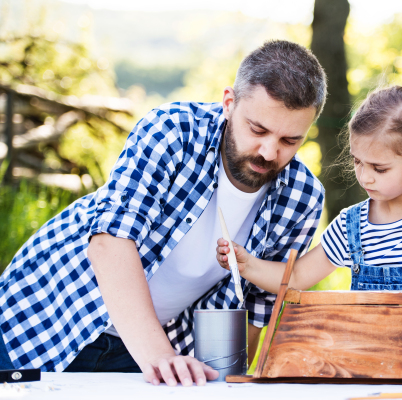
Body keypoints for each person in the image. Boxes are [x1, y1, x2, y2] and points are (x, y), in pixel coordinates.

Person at [0, 40, 327, 386]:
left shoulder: (302, 197)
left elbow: (259, 308)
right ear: (229, 103)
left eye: (290, 141)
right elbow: (110, 241)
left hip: (142, 350)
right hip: (43, 313)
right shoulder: (173, 131)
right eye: (257, 130)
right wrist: (160, 356)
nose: (268, 151)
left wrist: (230, 387)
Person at [217, 85, 402, 385]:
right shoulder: (351, 224)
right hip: (364, 378)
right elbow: (298, 277)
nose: (365, 176)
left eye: (379, 168)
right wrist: (247, 265)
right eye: (357, 162)